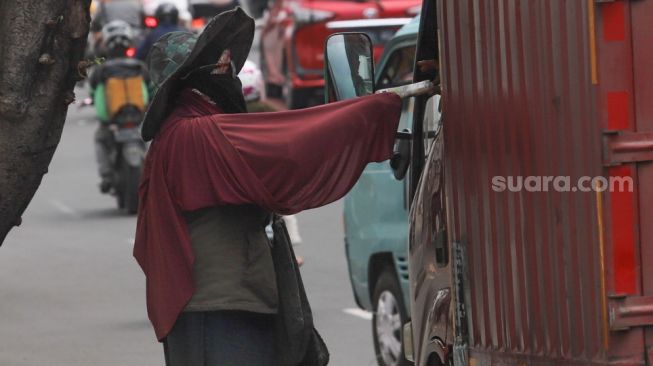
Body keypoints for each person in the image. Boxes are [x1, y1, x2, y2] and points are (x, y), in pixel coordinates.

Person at [133, 8, 402, 365]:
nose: (228, 67)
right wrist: (372, 110)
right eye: (218, 63)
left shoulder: (195, 126)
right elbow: (289, 142)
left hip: (231, 301)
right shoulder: (192, 132)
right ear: (192, 78)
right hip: (217, 309)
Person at [89, 20, 148, 192]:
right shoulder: (139, 67)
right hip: (138, 118)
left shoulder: (101, 70)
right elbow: (150, 90)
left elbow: (93, 89)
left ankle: (106, 176)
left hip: (112, 121)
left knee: (100, 139)